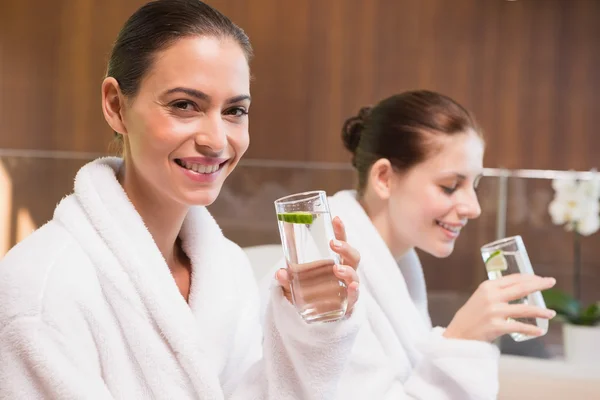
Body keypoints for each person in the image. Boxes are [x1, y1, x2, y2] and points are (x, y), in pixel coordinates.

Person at [0, 1, 363, 399]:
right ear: (116, 106)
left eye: (235, 110)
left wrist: (310, 330)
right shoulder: (42, 288)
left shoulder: (225, 271)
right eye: (184, 105)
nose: (216, 140)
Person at [327, 90, 557, 399]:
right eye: (450, 187)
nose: (473, 208)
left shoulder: (393, 268)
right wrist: (462, 339)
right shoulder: (327, 281)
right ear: (383, 178)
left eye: (474, 186)